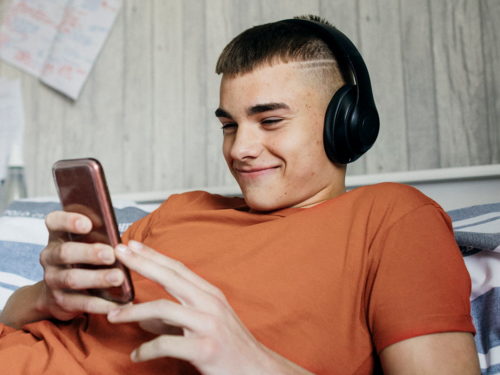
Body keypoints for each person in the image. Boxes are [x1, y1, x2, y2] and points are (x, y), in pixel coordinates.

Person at [0, 15, 480, 374]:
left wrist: (250, 359)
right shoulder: (181, 209)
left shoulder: (393, 218)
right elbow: (14, 316)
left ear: (345, 124)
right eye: (229, 125)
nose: (240, 149)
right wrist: (50, 296)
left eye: (270, 121)